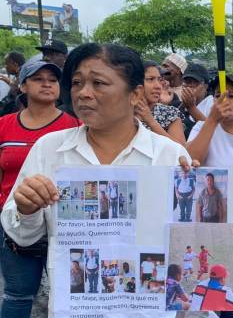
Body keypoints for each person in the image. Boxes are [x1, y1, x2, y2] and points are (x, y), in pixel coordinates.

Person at [0, 43, 193, 317]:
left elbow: (187, 246)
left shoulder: (170, 156)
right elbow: (22, 236)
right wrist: (26, 208)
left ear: (134, 93)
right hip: (77, 308)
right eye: (77, 83)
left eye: (98, 83)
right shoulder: (49, 149)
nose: (84, 93)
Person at [0, 60, 80, 212]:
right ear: (23, 86)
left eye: (53, 80)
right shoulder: (3, 125)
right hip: (12, 219)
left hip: (60, 219)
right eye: (38, 79)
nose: (46, 84)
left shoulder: (77, 127)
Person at [135, 60, 186, 145]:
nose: (158, 86)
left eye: (160, 80)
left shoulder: (169, 113)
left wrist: (151, 121)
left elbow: (181, 151)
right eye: (151, 79)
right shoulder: (121, 113)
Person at [179, 63, 212, 138]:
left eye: (195, 83)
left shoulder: (212, 104)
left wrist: (191, 108)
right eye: (187, 82)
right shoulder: (179, 105)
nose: (189, 86)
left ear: (205, 86)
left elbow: (211, 131)